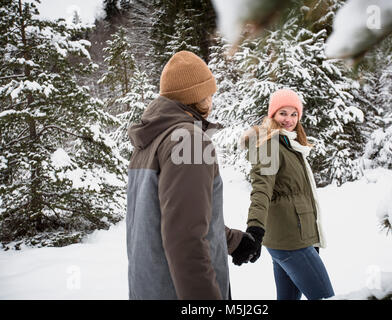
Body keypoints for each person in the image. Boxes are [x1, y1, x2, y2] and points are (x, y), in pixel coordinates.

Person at [126, 50, 257, 300]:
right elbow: (185, 239)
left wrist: (233, 241)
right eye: (209, 92)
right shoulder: (189, 141)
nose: (213, 98)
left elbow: (178, 218)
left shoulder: (152, 140)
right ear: (197, 96)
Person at [241, 88, 335, 300]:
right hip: (292, 240)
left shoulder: (289, 145)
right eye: (283, 113)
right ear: (272, 114)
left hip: (289, 237)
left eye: (294, 114)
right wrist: (254, 228)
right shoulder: (269, 145)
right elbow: (261, 189)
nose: (289, 119)